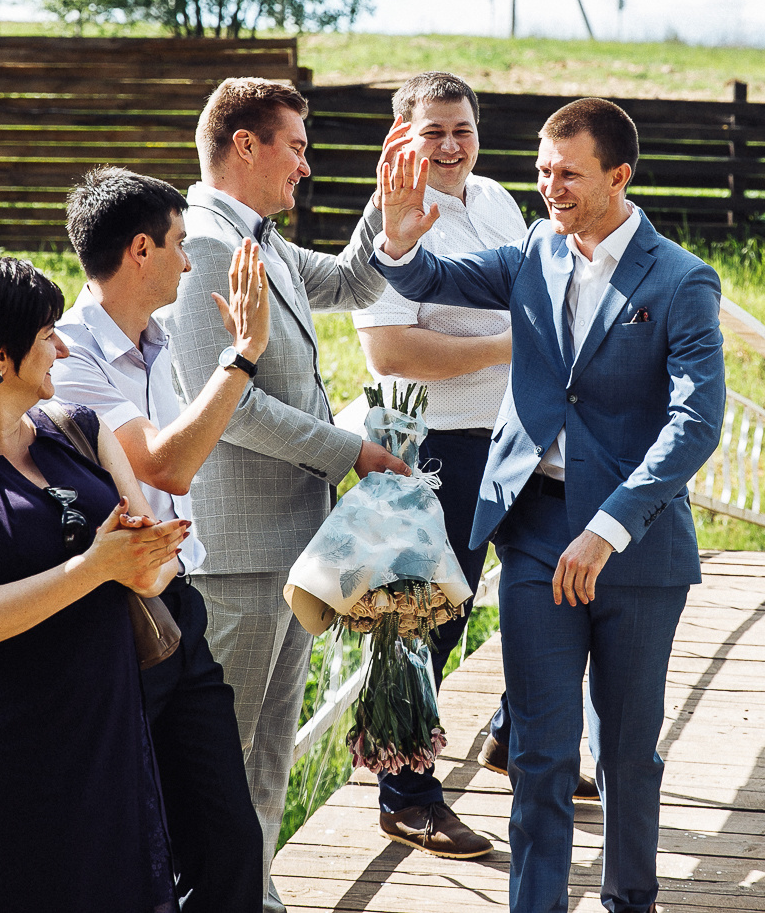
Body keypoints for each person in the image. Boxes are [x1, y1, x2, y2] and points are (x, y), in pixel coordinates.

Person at [374, 97, 725, 913]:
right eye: (541, 170)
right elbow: (428, 279)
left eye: (568, 173)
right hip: (533, 531)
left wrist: (608, 528)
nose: (549, 186)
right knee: (538, 750)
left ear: (619, 176)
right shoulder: (535, 247)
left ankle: (629, 900)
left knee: (627, 753)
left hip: (635, 545)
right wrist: (398, 234)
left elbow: (696, 422)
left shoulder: (681, 279)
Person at [162, 77, 413, 913]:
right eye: (296, 147)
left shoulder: (261, 238)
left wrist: (385, 208)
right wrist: (353, 450)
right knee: (223, 763)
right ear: (245, 144)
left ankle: (257, 897)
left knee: (269, 754)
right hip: (236, 555)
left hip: (294, 544)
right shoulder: (204, 244)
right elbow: (229, 409)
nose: (306, 165)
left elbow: (352, 282)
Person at [0, 253, 190, 913]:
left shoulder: (81, 430)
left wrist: (149, 562)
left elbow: (151, 568)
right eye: (48, 334)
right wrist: (96, 566)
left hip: (102, 739)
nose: (63, 348)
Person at [51, 166, 272, 913]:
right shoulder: (67, 354)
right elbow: (165, 463)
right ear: (140, 250)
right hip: (112, 621)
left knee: (231, 840)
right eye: (178, 244)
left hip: (181, 604)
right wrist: (243, 356)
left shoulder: (161, 338)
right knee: (125, 844)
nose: (187, 262)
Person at [352, 72, 532, 860]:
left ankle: (514, 738)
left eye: (463, 129)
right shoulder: (387, 220)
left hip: (512, 437)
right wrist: (507, 347)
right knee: (427, 622)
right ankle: (408, 796)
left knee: (542, 595)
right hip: (432, 446)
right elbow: (389, 351)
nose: (452, 146)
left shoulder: (495, 199)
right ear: (402, 137)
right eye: (435, 132)